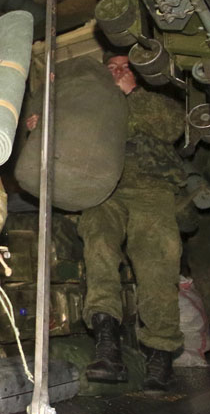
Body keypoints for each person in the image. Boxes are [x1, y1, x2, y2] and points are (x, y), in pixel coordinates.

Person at [78, 55, 187, 392]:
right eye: (110, 68)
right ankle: (107, 344)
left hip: (151, 189)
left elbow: (173, 126)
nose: (117, 71)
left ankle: (161, 354)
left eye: (124, 66)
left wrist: (131, 95)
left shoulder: (156, 101)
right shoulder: (90, 107)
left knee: (157, 264)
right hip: (104, 188)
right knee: (98, 246)